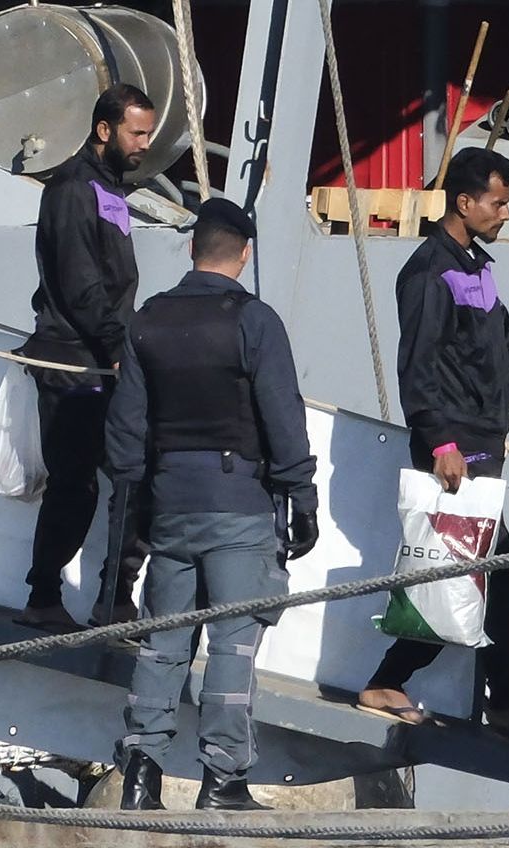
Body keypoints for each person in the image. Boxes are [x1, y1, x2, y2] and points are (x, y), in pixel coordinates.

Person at [104, 199, 319, 811]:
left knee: (163, 644)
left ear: (192, 248)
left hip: (170, 505)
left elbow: (125, 431)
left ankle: (140, 776)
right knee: (232, 645)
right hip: (240, 508)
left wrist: (134, 509)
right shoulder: (254, 321)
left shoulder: (147, 320)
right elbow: (283, 417)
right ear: (244, 254)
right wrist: (302, 497)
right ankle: (222, 781)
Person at [354, 148, 509, 750]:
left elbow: (502, 346)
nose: (506, 213)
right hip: (455, 448)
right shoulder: (429, 273)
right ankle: (505, 701)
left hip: (483, 441)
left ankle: (392, 681)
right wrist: (440, 442)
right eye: (497, 203)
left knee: (469, 573)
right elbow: (417, 366)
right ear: (465, 202)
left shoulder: (477, 268)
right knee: (492, 568)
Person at [16, 85, 158, 632]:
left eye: (147, 133)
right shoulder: (74, 188)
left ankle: (114, 598)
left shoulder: (110, 188)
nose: (144, 143)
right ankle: (44, 597)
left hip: (103, 357)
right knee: (74, 483)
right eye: (136, 133)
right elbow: (80, 285)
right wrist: (119, 347)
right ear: (105, 130)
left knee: (134, 475)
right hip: (74, 362)